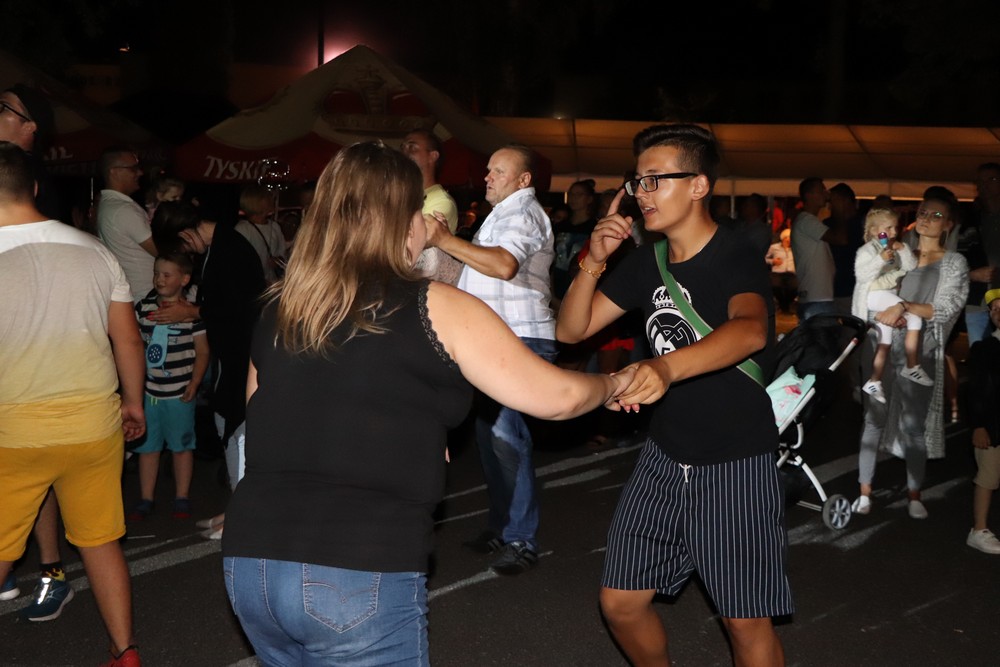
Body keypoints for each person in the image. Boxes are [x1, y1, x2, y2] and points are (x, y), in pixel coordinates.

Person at [220, 140, 634, 666]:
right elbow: (557, 397)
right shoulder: (436, 305)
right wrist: (617, 382)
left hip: (251, 565)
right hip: (357, 567)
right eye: (418, 209)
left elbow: (262, 423)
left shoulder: (282, 305)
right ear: (402, 220)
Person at [556, 124, 791, 666]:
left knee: (744, 620)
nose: (642, 193)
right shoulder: (646, 262)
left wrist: (663, 368)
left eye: (656, 179)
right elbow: (571, 330)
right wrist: (595, 258)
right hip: (664, 454)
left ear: (699, 185)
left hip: (735, 458)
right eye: (637, 181)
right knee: (620, 603)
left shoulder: (736, 253)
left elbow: (750, 330)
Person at [0, 142, 145, 667]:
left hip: (15, 432)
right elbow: (127, 339)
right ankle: (125, 652)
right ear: (35, 188)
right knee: (101, 542)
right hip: (94, 424)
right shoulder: (95, 250)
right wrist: (134, 404)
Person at [424, 144, 557, 575]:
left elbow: (503, 266)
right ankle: (503, 527)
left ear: (524, 180)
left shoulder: (523, 212)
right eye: (488, 170)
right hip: (496, 338)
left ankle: (522, 540)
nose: (487, 177)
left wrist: (445, 240)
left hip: (517, 338)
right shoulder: (502, 213)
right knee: (491, 439)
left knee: (506, 440)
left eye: (498, 171)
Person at [147, 201, 267, 540]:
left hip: (242, 354)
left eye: (183, 247)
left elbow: (239, 309)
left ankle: (242, 516)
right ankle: (236, 508)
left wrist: (193, 312)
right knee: (226, 422)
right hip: (234, 354)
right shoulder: (222, 245)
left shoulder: (230, 250)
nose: (188, 254)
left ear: (187, 234)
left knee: (236, 429)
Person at [0, 84, 75, 618]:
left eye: (5, 108)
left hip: (30, 346)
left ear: (31, 127)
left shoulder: (37, 185)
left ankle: (50, 572)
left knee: (37, 467)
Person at [853, 193, 969, 519]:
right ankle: (864, 492)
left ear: (948, 225)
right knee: (872, 419)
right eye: (923, 212)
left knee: (913, 425)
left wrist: (903, 307)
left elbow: (944, 309)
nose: (926, 218)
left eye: (936, 215)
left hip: (922, 350)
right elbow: (870, 287)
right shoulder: (898, 252)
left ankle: (914, 494)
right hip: (883, 345)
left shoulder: (954, 263)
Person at [128, 252, 209, 522]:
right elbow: (133, 346)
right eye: (156, 273)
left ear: (184, 279)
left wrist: (195, 382)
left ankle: (182, 496)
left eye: (166, 275)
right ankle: (146, 498)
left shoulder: (191, 313)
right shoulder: (143, 308)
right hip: (149, 393)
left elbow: (203, 351)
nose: (159, 279)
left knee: (182, 446)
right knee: (147, 448)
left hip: (179, 393)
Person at [852, 207, 928, 405]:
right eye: (888, 228)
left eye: (895, 227)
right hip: (873, 295)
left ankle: (874, 381)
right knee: (914, 316)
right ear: (874, 230)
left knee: (884, 342)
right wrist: (880, 260)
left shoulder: (895, 246)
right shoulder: (867, 250)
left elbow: (910, 266)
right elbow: (861, 275)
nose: (894, 232)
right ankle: (912, 365)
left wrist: (903, 250)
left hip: (888, 295)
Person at [402, 128, 462, 284]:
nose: (405, 151)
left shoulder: (441, 202)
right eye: (403, 147)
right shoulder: (403, 196)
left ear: (433, 156)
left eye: (412, 147)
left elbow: (415, 244)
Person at [966, 288, 1000, 553]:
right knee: (988, 477)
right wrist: (978, 425)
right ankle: (978, 530)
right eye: (994, 309)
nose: (997, 312)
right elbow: (976, 389)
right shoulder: (984, 349)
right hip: (993, 426)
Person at [97, 146, 156, 300]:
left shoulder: (110, 205)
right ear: (114, 172)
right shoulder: (123, 209)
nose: (140, 173)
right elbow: (161, 250)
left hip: (134, 292)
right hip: (145, 294)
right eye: (133, 169)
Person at [791, 177, 835, 320]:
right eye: (821, 190)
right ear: (809, 195)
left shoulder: (809, 220)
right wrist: (838, 208)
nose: (825, 194)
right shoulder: (807, 220)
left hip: (815, 295)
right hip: (817, 296)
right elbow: (838, 238)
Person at [551, 179, 599, 301]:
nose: (574, 198)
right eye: (571, 194)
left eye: (579, 194)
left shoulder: (594, 228)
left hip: (582, 285)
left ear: (589, 199)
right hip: (557, 284)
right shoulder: (559, 227)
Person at [234, 183, 285, 285]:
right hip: (251, 285)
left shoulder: (275, 226)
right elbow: (237, 262)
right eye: (267, 197)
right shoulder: (242, 229)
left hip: (272, 284)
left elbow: (282, 253)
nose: (272, 200)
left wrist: (278, 260)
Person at [766, 228, 798, 313]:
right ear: (783, 238)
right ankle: (782, 304)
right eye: (788, 237)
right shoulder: (774, 247)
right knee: (776, 286)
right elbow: (764, 258)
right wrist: (773, 261)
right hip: (778, 272)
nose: (789, 240)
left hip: (791, 273)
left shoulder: (796, 248)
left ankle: (786, 304)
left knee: (795, 287)